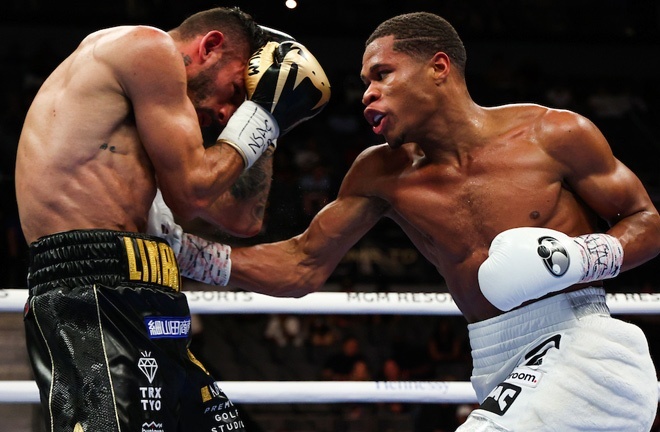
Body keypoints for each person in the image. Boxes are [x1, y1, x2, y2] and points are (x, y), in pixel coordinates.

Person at [149, 12, 660, 431]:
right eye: (364, 82)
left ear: (439, 67)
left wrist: (581, 256)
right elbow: (301, 265)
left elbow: (647, 221)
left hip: (583, 345)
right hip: (495, 364)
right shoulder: (382, 172)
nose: (367, 93)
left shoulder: (553, 134)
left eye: (382, 74)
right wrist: (177, 249)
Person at [15, 5, 330, 431]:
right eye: (235, 91)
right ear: (211, 46)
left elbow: (242, 217)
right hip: (92, 289)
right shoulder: (147, 46)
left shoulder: (145, 131)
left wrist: (264, 123)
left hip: (148, 289)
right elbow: (193, 193)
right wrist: (263, 115)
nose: (227, 114)